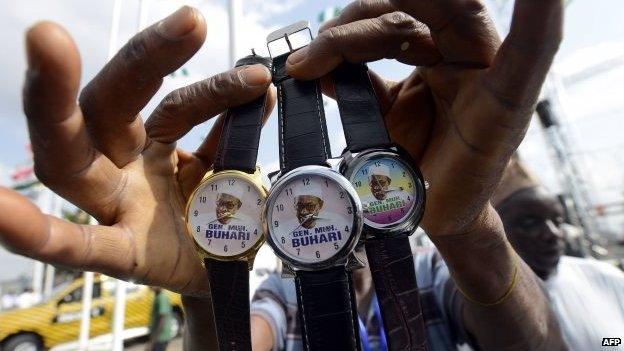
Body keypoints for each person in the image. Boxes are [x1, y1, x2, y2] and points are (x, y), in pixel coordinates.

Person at [0, 0, 567, 350]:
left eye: (329, 203)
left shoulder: (433, 279)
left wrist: (467, 229)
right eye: (307, 208)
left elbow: (544, 344)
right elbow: (255, 333)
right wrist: (207, 295)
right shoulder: (278, 298)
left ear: (363, 190)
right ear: (271, 214)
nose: (327, 225)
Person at [493, 157, 624, 351]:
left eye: (558, 220)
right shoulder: (481, 305)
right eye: (529, 223)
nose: (553, 233)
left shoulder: (605, 278)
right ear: (496, 230)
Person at [147, 287, 174, 351]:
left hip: (161, 337)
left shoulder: (162, 298)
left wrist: (152, 342)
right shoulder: (158, 296)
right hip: (158, 337)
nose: (149, 286)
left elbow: (162, 320)